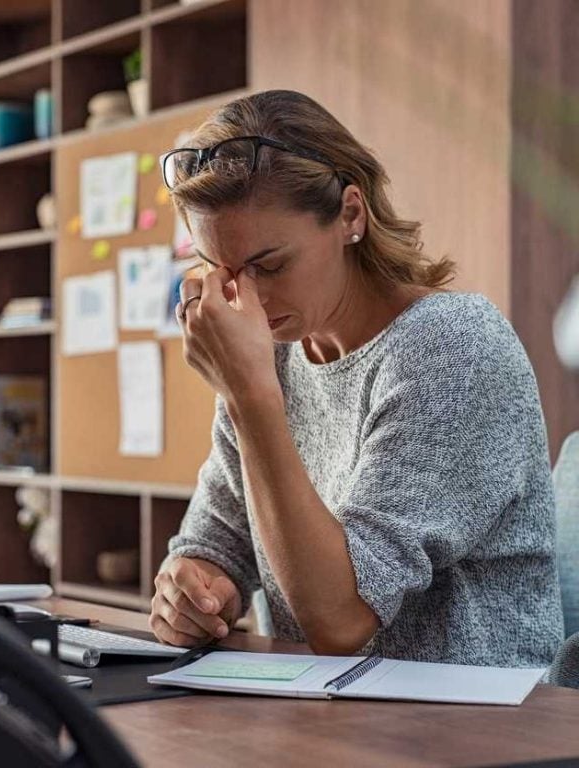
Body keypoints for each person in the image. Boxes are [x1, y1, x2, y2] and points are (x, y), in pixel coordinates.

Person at [149, 89, 563, 666]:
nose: (246, 297)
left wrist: (249, 396)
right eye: (222, 270)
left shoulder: (452, 347)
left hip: (475, 728)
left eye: (270, 265)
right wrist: (193, 587)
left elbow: (341, 620)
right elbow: (218, 538)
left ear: (350, 214)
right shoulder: (273, 357)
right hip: (331, 717)